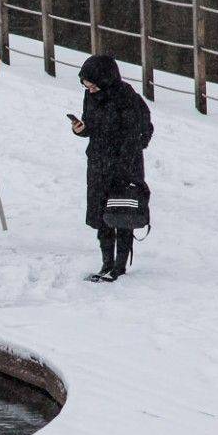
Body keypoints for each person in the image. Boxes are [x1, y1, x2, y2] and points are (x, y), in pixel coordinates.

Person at [69, 53, 153, 282]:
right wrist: (81, 129)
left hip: (124, 165)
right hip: (97, 163)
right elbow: (92, 125)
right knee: (102, 215)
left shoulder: (127, 97)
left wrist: (124, 155)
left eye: (93, 85)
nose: (90, 90)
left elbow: (143, 131)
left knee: (122, 214)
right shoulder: (90, 96)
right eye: (86, 86)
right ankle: (106, 262)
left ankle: (120, 265)